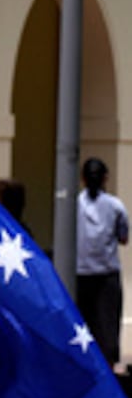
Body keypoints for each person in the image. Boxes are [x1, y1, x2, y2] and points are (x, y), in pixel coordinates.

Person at [76, 157, 129, 370]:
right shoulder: (116, 206)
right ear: (106, 178)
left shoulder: (73, 203)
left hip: (79, 273)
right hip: (107, 273)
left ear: (82, 179)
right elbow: (124, 238)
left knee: (82, 326)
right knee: (107, 326)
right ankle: (108, 370)